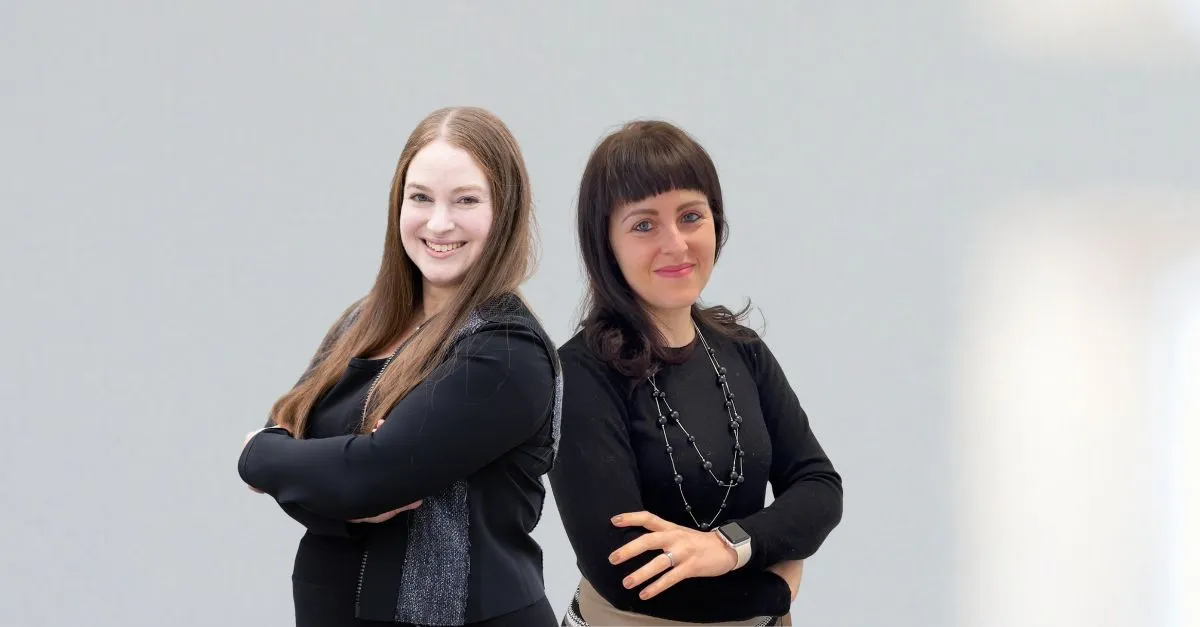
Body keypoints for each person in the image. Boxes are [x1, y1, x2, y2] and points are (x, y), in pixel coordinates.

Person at [238, 106, 561, 627]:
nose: (439, 222)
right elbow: (311, 450)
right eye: (421, 198)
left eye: (466, 200)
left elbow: (365, 478)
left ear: (505, 211)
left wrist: (260, 455)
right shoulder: (362, 322)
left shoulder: (506, 352)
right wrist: (325, 474)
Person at [549, 120, 844, 626]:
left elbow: (818, 487)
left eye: (690, 217)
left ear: (716, 222)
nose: (675, 244)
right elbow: (625, 573)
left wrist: (729, 546)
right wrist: (774, 588)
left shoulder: (742, 350)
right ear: (606, 243)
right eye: (644, 225)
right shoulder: (578, 375)